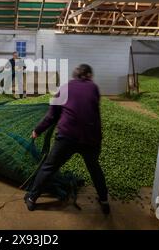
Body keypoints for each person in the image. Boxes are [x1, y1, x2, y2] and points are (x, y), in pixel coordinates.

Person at [24, 64, 110, 214]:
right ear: (89, 75)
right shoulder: (94, 88)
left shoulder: (64, 88)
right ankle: (104, 200)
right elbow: (94, 114)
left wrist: (37, 130)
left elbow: (52, 116)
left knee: (49, 167)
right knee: (95, 169)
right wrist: (97, 142)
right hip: (90, 139)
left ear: (74, 75)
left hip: (67, 137)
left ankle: (31, 198)